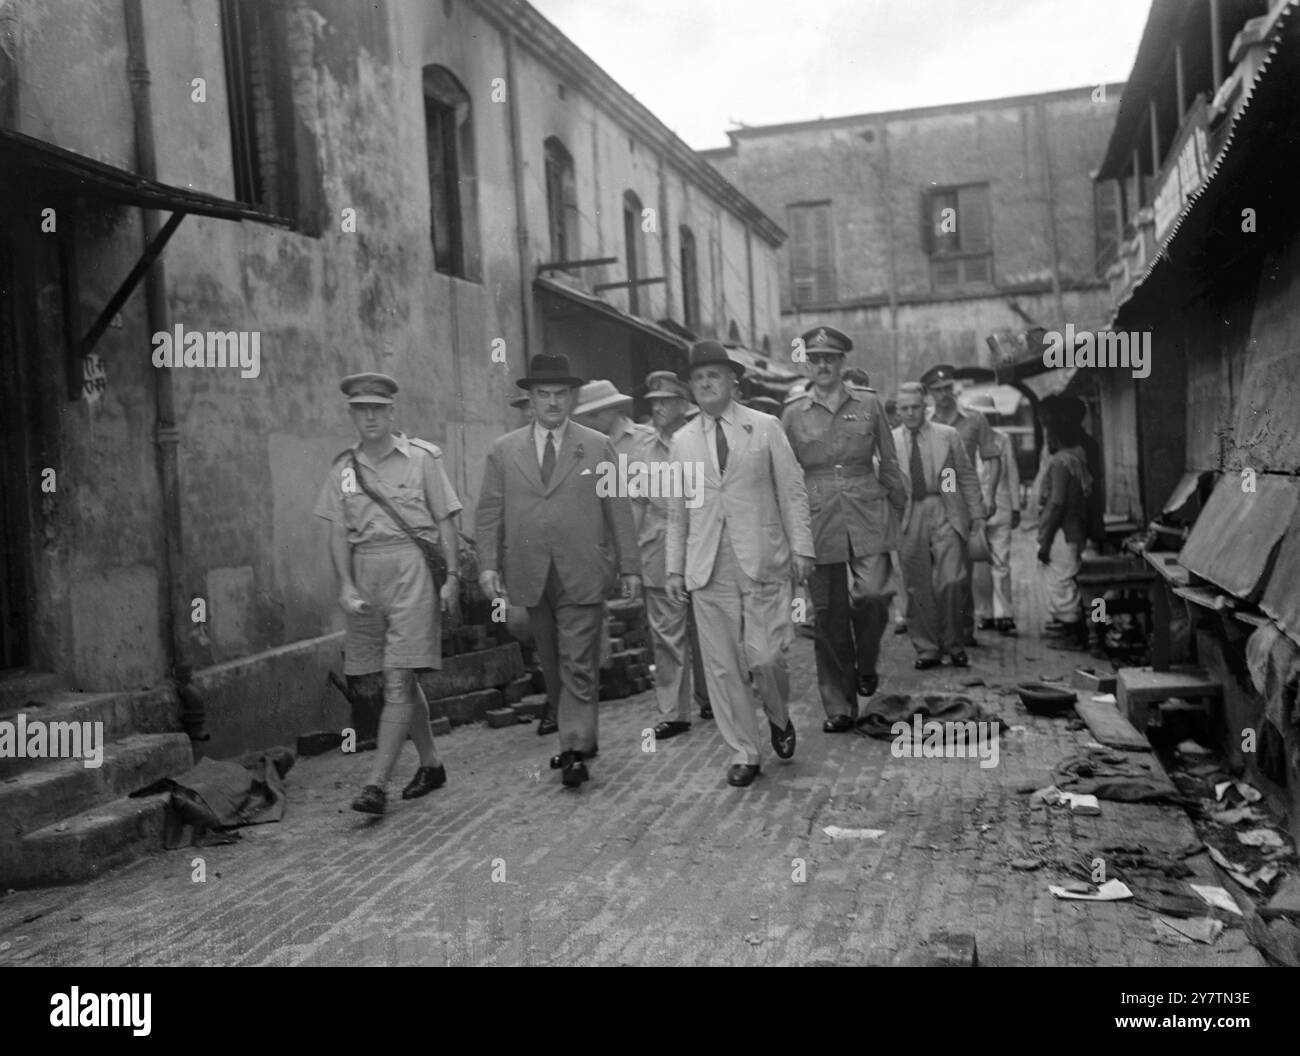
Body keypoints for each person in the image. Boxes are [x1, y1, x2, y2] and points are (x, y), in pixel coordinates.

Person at [475, 354, 640, 788]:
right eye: (543, 395)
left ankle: (572, 748)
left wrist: (630, 567)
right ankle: (580, 737)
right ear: (530, 399)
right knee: (551, 664)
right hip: (529, 571)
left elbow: (618, 509)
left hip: (583, 569)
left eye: (560, 395)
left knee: (579, 662)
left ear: (573, 398)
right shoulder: (504, 450)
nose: (551, 403)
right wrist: (487, 565)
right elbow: (490, 511)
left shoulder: (597, 444)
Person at [666, 341, 814, 788]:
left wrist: (802, 547)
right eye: (698, 378)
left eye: (715, 374)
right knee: (724, 666)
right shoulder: (682, 440)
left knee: (766, 658)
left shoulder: (765, 428)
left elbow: (792, 491)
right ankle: (745, 752)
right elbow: (677, 511)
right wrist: (674, 568)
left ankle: (779, 716)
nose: (706, 383)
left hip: (763, 557)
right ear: (691, 389)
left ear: (734, 381)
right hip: (708, 565)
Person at [314, 373, 463, 815]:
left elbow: (445, 520)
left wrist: (452, 575)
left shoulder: (420, 460)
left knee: (398, 678)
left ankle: (375, 784)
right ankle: (431, 764)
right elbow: (339, 530)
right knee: (391, 676)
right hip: (366, 572)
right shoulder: (345, 470)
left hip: (412, 568)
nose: (370, 416)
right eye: (361, 409)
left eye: (378, 408)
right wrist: (344, 582)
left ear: (392, 411)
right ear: (353, 415)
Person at [783, 325, 906, 733]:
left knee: (873, 594)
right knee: (829, 615)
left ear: (842, 363)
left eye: (830, 358)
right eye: (815, 358)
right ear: (807, 362)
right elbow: (786, 477)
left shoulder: (869, 406)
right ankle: (839, 705)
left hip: (867, 512)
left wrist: (899, 510)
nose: (822, 365)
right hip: (817, 519)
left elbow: (888, 462)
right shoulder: (793, 414)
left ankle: (867, 662)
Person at [623, 371, 709, 740]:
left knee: (709, 627)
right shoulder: (644, 450)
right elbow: (637, 505)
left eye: (665, 401)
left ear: (683, 404)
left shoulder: (702, 439)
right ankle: (674, 713)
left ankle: (712, 698)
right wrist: (629, 555)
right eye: (653, 401)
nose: (657, 407)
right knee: (666, 634)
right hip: (658, 547)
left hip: (703, 542)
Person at [892, 382, 986, 669]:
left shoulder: (947, 435)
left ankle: (954, 643)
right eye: (904, 408)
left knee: (952, 580)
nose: (910, 413)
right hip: (909, 514)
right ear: (898, 411)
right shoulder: (889, 441)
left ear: (925, 407)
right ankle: (927, 648)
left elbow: (966, 476)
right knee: (916, 585)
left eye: (916, 407)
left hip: (945, 508)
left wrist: (977, 514)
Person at [922, 363, 1001, 647]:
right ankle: (940, 631)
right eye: (937, 390)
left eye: (948, 388)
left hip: (960, 503)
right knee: (933, 573)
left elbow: (992, 455)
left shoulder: (975, 420)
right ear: (928, 393)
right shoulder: (923, 422)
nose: (944, 394)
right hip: (930, 502)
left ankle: (964, 629)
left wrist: (989, 495)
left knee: (960, 573)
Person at [963, 392, 1022, 637]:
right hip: (971, 511)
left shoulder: (1002, 440)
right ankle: (983, 613)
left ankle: (1003, 614)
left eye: (986, 416)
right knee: (978, 566)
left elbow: (1012, 474)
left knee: (1002, 562)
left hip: (1001, 507)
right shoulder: (961, 440)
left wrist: (1017, 507)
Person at [1038, 418, 1091, 650]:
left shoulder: (1060, 462)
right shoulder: (1076, 460)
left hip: (1062, 531)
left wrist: (1045, 540)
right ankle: (1069, 626)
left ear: (1057, 439)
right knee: (1066, 577)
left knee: (1061, 581)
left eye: (1049, 437)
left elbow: (1057, 503)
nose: (1047, 441)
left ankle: (1072, 632)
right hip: (1074, 529)